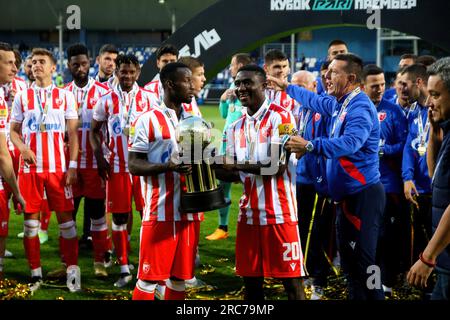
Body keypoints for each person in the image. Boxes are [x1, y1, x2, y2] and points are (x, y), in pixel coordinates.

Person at [269, 53, 386, 300]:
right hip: (347, 196)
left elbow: (351, 143)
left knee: (364, 263)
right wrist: (286, 87)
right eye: (327, 71)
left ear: (351, 78)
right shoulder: (340, 103)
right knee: (351, 265)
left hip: (363, 196)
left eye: (333, 72)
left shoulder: (360, 107)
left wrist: (310, 145)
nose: (326, 76)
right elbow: (312, 99)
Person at [216, 64, 306, 300]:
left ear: (264, 85)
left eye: (247, 83)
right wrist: (208, 166)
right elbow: (234, 174)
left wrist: (234, 164)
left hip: (280, 214)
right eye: (237, 83)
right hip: (248, 216)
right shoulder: (234, 127)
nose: (241, 88)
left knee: (292, 284)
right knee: (252, 285)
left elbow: (277, 166)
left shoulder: (282, 116)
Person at [129, 62, 202, 300]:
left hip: (189, 213)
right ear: (170, 84)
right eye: (187, 81)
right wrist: (167, 166)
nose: (193, 86)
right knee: (149, 279)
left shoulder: (193, 119)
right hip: (160, 212)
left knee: (179, 278)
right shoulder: (147, 120)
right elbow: (134, 164)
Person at [9, 48, 80, 292]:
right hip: (30, 169)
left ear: (53, 68)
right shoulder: (22, 96)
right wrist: (22, 148)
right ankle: (35, 274)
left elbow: (72, 134)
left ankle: (72, 274)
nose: (36, 65)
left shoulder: (65, 96)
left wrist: (72, 166)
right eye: (33, 61)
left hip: (58, 168)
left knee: (67, 223)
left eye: (42, 61)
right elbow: (13, 131)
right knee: (30, 224)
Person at [91, 53, 156, 287]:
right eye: (123, 71)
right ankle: (124, 268)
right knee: (118, 218)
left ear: (138, 73)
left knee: (148, 216)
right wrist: (99, 157)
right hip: (117, 168)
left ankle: (148, 265)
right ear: (116, 72)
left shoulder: (150, 99)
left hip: (144, 169)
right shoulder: (106, 100)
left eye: (131, 72)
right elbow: (94, 131)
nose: (127, 76)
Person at [362, 64, 409, 296]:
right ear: (363, 86)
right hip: (362, 186)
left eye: (382, 84)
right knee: (368, 237)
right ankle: (370, 281)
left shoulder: (393, 111)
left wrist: (384, 150)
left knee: (386, 236)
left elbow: (405, 146)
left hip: (389, 185)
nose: (379, 89)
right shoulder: (354, 109)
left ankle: (387, 282)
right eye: (374, 85)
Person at [65, 43, 110, 277]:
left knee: (97, 215)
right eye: (75, 65)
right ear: (68, 66)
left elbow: (108, 129)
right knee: (68, 216)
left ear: (90, 62)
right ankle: (69, 264)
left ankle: (99, 262)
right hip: (70, 167)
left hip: (94, 165)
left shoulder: (103, 93)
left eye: (83, 63)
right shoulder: (63, 93)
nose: (80, 68)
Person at [407, 57, 450, 300]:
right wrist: (434, 133)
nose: (428, 102)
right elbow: (435, 179)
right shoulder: (447, 130)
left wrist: (428, 256)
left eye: (435, 95)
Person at [291, 70, 333, 300]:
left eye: (300, 86)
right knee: (300, 227)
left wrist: (307, 146)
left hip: (319, 180)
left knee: (317, 232)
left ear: (314, 85)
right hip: (300, 178)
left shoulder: (323, 109)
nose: (295, 91)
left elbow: (329, 143)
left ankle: (318, 280)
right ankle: (303, 274)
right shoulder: (299, 109)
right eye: (293, 86)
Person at [206, 53, 252, 241]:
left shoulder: (250, 90)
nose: (230, 68)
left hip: (245, 147)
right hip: (227, 146)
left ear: (239, 65)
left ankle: (249, 227)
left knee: (249, 187)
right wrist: (224, 99)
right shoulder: (232, 89)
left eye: (232, 65)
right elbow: (225, 114)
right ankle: (222, 227)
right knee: (222, 185)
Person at [399, 64, 433, 287]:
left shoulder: (440, 108)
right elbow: (409, 148)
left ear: (418, 83)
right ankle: (426, 285)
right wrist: (407, 177)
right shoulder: (414, 112)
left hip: (437, 188)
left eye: (405, 84)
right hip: (418, 187)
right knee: (421, 237)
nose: (401, 89)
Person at [0, 42, 26, 280]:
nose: (15, 68)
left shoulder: (7, 89)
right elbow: (1, 153)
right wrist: (18, 191)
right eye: (9, 63)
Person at [263, 49, 298, 114]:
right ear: (265, 68)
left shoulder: (294, 93)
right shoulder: (258, 90)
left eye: (284, 66)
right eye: (277, 67)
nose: (281, 70)